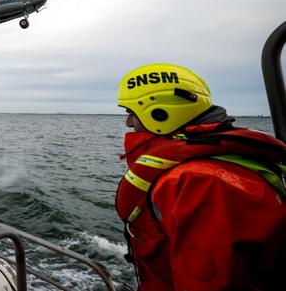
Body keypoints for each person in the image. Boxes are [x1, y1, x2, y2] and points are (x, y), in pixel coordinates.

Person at [115, 63, 286, 290]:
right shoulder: (213, 168)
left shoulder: (200, 184)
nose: (128, 122)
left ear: (159, 114)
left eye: (131, 113)